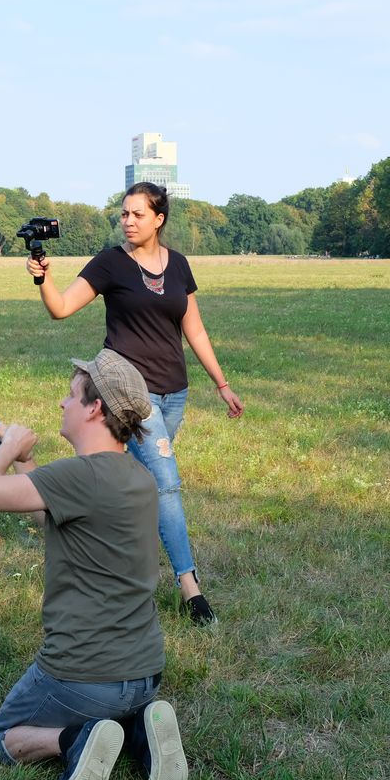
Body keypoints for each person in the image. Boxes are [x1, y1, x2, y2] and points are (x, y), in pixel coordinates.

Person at [0, 349, 188, 780]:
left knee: (3, 738)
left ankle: (76, 740)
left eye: (70, 395)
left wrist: (7, 449)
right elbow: (54, 511)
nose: (62, 403)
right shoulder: (138, 476)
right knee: (118, 706)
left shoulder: (78, 476)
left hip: (84, 675)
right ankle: (140, 730)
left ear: (94, 408)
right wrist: (26, 460)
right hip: (145, 671)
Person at [26, 182, 244, 626]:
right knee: (165, 484)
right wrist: (43, 279)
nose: (127, 221)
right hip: (131, 395)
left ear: (159, 219)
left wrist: (221, 384)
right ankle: (191, 588)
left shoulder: (178, 265)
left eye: (137, 214)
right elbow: (61, 308)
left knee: (137, 483)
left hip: (175, 393)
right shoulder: (110, 262)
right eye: (124, 213)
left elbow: (195, 330)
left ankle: (102, 553)